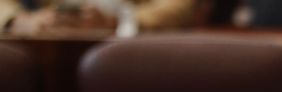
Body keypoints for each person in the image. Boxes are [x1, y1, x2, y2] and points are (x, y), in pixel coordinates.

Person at [1, 0, 196, 33]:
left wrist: (118, 22)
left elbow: (181, 6)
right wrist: (16, 21)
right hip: (47, 43)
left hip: (126, 45)